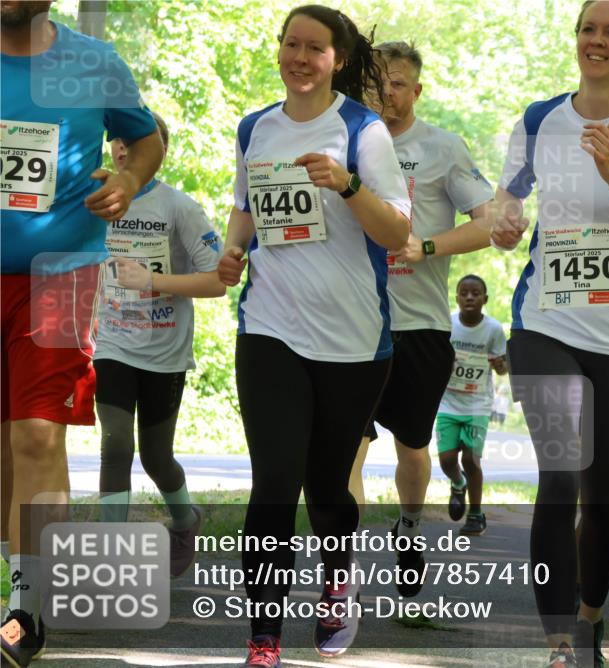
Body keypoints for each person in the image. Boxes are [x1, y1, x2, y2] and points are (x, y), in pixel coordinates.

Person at [491, 2, 609, 665]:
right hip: (547, 319)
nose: (595, 41)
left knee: (603, 498)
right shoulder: (541, 119)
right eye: (587, 29)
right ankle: (558, 645)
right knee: (560, 476)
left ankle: (591, 617)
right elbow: (506, 200)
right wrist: (505, 220)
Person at [215, 6, 410, 665]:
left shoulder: (364, 132)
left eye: (315, 49)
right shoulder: (256, 128)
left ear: (338, 59)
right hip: (269, 324)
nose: (299, 57)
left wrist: (348, 184)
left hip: (353, 339)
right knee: (274, 480)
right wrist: (232, 252)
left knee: (327, 486)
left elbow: (397, 234)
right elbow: (246, 208)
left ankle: (336, 581)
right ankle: (263, 638)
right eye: (290, 45)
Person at [1, 2, 162, 665]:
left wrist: (126, 177)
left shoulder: (94, 62)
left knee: (38, 432)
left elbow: (146, 139)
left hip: (59, 274)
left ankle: (23, 608)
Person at [348, 40, 494, 596]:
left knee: (413, 447)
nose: (388, 93)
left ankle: (409, 527)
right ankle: (346, 566)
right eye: (378, 82)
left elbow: (489, 222)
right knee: (349, 450)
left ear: (417, 90)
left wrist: (427, 246)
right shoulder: (344, 140)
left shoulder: (441, 147)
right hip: (352, 326)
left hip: (420, 329)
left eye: (399, 83)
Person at [93, 113, 225, 576]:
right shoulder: (97, 201)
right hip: (111, 341)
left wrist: (154, 280)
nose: (123, 150)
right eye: (117, 142)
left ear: (159, 150)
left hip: (164, 350)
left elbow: (218, 281)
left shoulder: (179, 208)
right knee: (115, 444)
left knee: (156, 458)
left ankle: (185, 519)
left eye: (134, 142)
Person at [436, 275, 507, 536]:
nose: (469, 297)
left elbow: (502, 367)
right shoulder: (448, 325)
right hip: (448, 402)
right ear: (456, 298)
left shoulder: (494, 330)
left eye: (475, 293)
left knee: (470, 459)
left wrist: (501, 365)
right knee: (446, 460)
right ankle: (458, 483)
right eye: (464, 293)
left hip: (478, 403)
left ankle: (476, 515)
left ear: (485, 299)